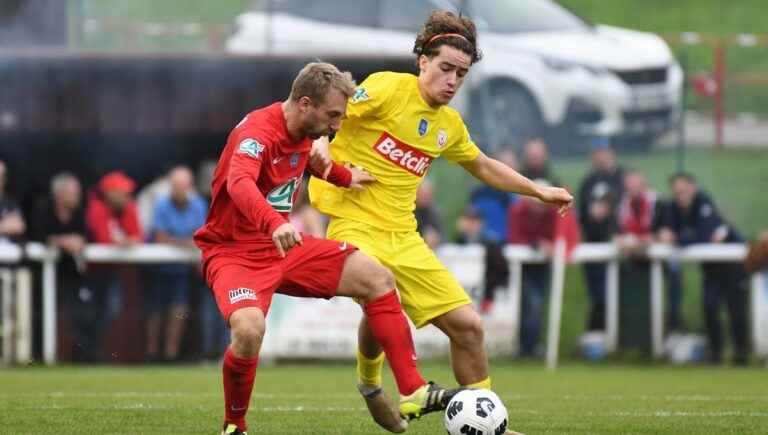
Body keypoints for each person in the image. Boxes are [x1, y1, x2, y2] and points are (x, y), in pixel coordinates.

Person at [308, 11, 572, 430]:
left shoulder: (448, 126)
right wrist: (321, 143)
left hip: (404, 236)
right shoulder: (386, 89)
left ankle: (487, 426)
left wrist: (539, 190)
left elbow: (483, 166)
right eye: (446, 68)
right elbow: (330, 112)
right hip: (352, 221)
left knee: (469, 327)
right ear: (423, 62)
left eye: (461, 74)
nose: (452, 81)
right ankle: (373, 384)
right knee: (379, 287)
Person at [193, 62, 462, 435]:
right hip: (235, 252)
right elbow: (239, 183)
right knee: (250, 330)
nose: (337, 126)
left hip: (283, 248)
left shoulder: (303, 130)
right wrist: (275, 222)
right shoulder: (256, 133)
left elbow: (309, 162)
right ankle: (234, 425)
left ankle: (413, 389)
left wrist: (344, 176)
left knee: (378, 278)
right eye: (333, 116)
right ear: (305, 104)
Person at [659, 172, 749, 365]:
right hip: (711, 268)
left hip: (733, 265)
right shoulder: (674, 207)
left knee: (736, 311)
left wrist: (677, 238)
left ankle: (741, 355)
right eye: (677, 192)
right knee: (709, 308)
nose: (680, 196)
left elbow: (703, 235)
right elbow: (667, 229)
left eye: (683, 191)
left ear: (693, 188)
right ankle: (716, 354)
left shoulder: (704, 202)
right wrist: (668, 234)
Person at [146, 165, 208, 362]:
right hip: (159, 268)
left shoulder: (198, 204)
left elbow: (201, 235)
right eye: (175, 186)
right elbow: (160, 237)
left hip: (182, 270)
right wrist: (185, 241)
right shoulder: (161, 204)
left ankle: (171, 354)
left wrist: (184, 241)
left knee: (179, 311)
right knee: (155, 312)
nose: (179, 190)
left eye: (183, 186)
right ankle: (152, 354)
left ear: (189, 187)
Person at [30, 173, 93, 361]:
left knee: (80, 312)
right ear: (59, 194)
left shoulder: (79, 212)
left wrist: (80, 240)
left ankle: (81, 356)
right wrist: (61, 241)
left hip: (71, 272)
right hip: (43, 273)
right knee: (40, 313)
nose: (77, 197)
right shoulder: (43, 208)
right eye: (73, 193)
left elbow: (87, 235)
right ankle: (38, 355)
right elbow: (36, 234)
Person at [85, 170, 143, 353]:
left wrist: (125, 241)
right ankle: (87, 353)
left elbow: (137, 236)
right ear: (110, 193)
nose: (127, 196)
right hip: (90, 273)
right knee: (89, 314)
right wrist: (125, 241)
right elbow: (105, 240)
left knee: (110, 312)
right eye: (123, 192)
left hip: (112, 272)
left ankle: (94, 352)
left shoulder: (128, 208)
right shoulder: (96, 208)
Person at [507, 180, 560, 356]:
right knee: (530, 305)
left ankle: (532, 346)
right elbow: (514, 238)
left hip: (543, 266)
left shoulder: (551, 212)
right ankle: (525, 347)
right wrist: (536, 244)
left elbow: (555, 237)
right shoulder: (517, 211)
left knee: (537, 306)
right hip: (521, 269)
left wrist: (549, 245)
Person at [578, 139, 623, 332]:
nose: (600, 156)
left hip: (618, 247)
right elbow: (581, 213)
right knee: (597, 295)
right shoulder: (588, 182)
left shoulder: (622, 179)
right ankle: (597, 335)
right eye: (597, 152)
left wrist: (609, 211)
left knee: (615, 295)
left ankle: (615, 335)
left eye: (604, 152)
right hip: (593, 246)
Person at [455, 205, 509, 314]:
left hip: (488, 297)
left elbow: (500, 271)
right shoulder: (459, 240)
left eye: (474, 220)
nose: (470, 224)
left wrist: (489, 295)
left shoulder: (491, 243)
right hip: (466, 293)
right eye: (467, 220)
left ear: (481, 223)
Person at [468, 148, 518, 243]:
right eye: (504, 165)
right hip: (478, 242)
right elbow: (469, 220)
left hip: (505, 243)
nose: (507, 171)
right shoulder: (477, 193)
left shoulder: (516, 197)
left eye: (510, 166)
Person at [0, 160, 26, 244]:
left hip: (9, 250)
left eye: (2, 176)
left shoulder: (9, 202)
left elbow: (19, 226)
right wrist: (3, 227)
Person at [414, 177, 443, 248]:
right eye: (423, 194)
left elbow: (442, 235)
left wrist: (436, 238)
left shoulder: (435, 211)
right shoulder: (409, 210)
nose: (425, 197)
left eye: (427, 194)